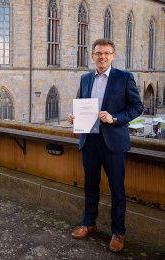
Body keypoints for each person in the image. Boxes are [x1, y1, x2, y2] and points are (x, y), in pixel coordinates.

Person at [68, 39, 143, 253]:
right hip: (89, 140)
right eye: (98, 53)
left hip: (114, 142)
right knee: (90, 186)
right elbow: (81, 103)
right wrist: (74, 117)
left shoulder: (124, 78)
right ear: (92, 56)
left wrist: (114, 118)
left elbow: (137, 107)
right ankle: (89, 223)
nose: (102, 57)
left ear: (113, 55)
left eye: (107, 53)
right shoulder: (85, 79)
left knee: (117, 190)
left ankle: (118, 233)